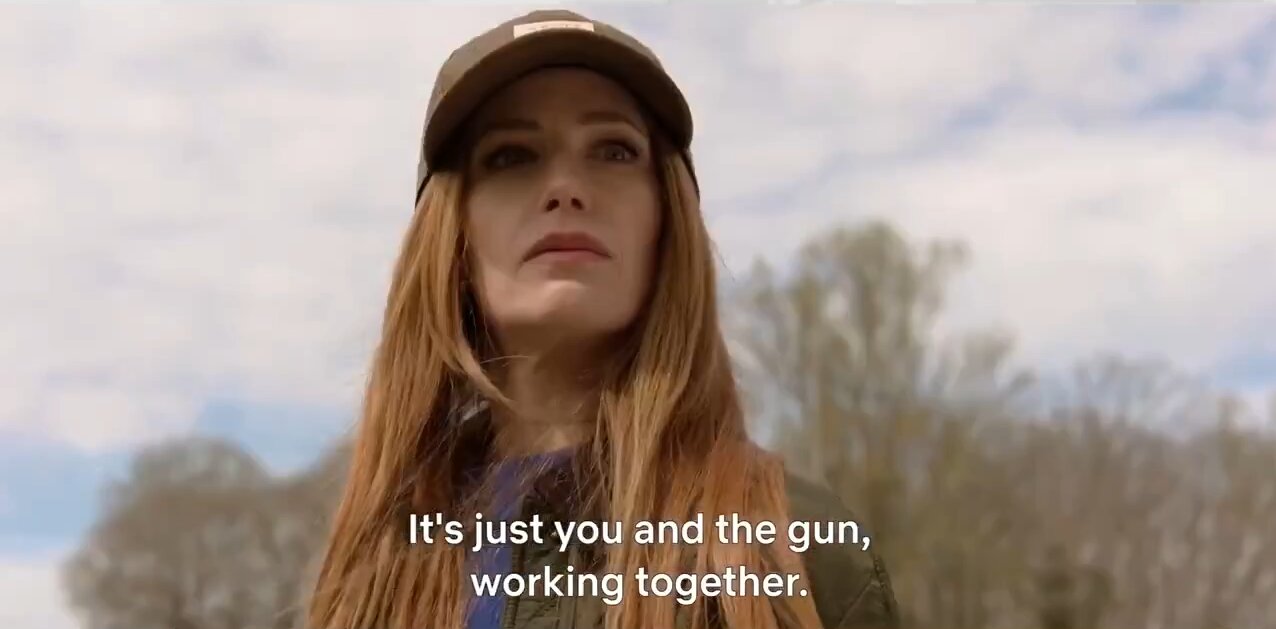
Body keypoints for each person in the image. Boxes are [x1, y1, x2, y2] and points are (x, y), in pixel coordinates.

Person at [303, 8, 900, 629]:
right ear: (453, 234)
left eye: (614, 150)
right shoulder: (374, 563)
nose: (565, 187)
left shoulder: (796, 551)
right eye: (511, 156)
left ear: (666, 219)